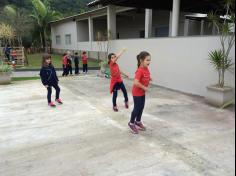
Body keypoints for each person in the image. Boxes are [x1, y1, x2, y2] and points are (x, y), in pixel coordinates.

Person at [128, 51, 152, 134]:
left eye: (149, 60)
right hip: (137, 93)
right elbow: (136, 82)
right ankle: (131, 123)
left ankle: (137, 121)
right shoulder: (140, 70)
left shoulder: (146, 69)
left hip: (142, 93)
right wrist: (144, 87)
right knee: (137, 108)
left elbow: (146, 76)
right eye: (147, 60)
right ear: (141, 60)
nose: (149, 62)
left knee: (141, 107)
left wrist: (149, 78)